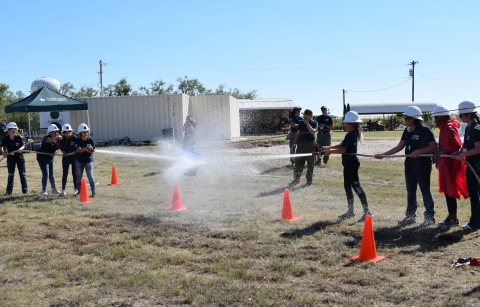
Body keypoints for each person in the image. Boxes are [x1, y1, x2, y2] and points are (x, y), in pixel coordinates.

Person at [375, 106, 437, 226]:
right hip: (409, 164)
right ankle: (410, 217)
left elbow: (433, 147)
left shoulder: (425, 130)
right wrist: (384, 155)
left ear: (414, 118)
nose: (405, 120)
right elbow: (399, 147)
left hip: (422, 165)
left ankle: (430, 218)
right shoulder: (407, 131)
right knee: (410, 191)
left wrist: (418, 151)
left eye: (407, 118)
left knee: (425, 191)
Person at [322, 111, 372, 221]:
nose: (345, 125)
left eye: (346, 123)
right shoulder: (350, 134)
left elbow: (343, 150)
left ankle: (367, 211)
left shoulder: (351, 134)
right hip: (347, 163)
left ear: (351, 124)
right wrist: (328, 147)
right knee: (347, 187)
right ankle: (350, 212)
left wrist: (330, 152)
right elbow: (340, 145)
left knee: (356, 187)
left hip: (351, 164)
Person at [431, 106, 469, 227]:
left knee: (450, 190)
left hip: (450, 165)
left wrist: (440, 152)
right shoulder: (444, 128)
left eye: (435, 118)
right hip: (445, 163)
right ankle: (451, 216)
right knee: (447, 191)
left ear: (441, 117)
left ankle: (453, 218)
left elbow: (456, 145)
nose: (434, 121)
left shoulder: (448, 128)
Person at [454, 101, 480, 230]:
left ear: (468, 115)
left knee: (475, 194)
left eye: (461, 116)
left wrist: (463, 155)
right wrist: (460, 151)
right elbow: (467, 144)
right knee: (474, 193)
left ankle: (475, 222)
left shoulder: (476, 128)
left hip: (476, 165)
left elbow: (478, 148)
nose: (460, 118)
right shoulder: (469, 127)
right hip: (470, 164)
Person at [0, 122, 28, 195]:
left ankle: (25, 191)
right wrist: (3, 153)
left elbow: (23, 146)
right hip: (10, 159)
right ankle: (9, 192)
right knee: (11, 174)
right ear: (9, 130)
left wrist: (20, 149)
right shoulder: (5, 139)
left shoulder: (18, 138)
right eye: (13, 130)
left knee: (22, 174)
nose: (15, 131)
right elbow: (0, 146)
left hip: (20, 158)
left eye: (15, 130)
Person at [291, 109, 317, 186]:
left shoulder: (314, 122)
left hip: (310, 145)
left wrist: (308, 124)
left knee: (310, 164)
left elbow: (312, 132)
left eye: (306, 115)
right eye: (304, 115)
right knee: (298, 162)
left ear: (310, 115)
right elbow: (298, 134)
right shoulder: (301, 123)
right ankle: (296, 179)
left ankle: (309, 181)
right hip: (301, 144)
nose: (304, 117)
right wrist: (294, 143)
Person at [37, 124, 62, 196]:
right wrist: (56, 137)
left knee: (51, 174)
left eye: (57, 131)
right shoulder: (46, 138)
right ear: (50, 132)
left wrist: (54, 153)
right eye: (54, 132)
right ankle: (44, 190)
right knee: (45, 174)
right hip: (42, 158)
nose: (56, 133)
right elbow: (49, 141)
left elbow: (57, 148)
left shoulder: (57, 139)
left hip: (50, 158)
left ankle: (54, 189)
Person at [75, 123, 96, 198]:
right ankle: (79, 192)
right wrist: (85, 149)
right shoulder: (77, 140)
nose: (86, 133)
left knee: (90, 176)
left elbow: (93, 151)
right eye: (84, 132)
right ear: (80, 133)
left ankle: (93, 192)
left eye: (87, 132)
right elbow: (79, 150)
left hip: (88, 161)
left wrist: (90, 150)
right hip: (79, 161)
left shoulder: (90, 140)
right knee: (78, 177)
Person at [59, 124, 78, 196]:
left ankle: (76, 189)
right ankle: (63, 190)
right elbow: (60, 147)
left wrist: (76, 150)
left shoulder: (74, 138)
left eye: (69, 132)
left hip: (74, 158)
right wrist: (63, 152)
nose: (67, 134)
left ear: (71, 132)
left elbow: (78, 146)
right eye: (66, 133)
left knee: (74, 174)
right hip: (65, 158)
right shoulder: (62, 139)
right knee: (65, 174)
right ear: (63, 133)